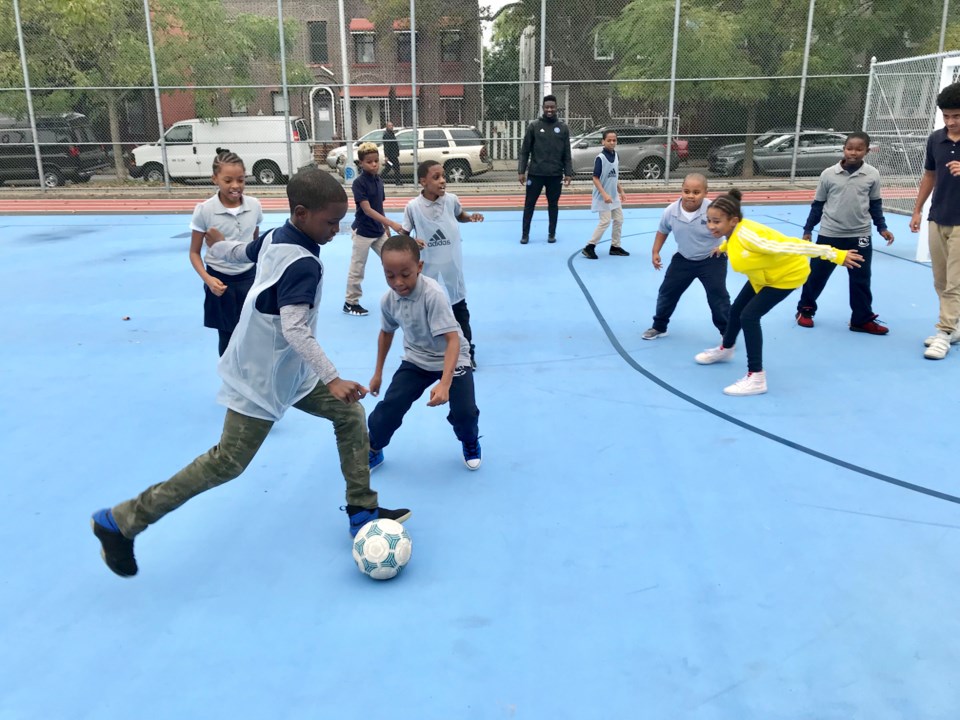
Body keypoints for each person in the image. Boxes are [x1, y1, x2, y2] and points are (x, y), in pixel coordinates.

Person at [90, 169, 410, 578]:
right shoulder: (304, 264)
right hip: (259, 376)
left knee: (348, 415)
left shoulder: (280, 234)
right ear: (301, 212)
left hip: (289, 372)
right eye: (331, 222)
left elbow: (243, 253)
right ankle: (120, 522)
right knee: (227, 463)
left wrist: (217, 251)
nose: (337, 229)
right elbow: (295, 329)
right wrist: (332, 377)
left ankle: (361, 511)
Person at [693, 189, 863, 396]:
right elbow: (734, 241)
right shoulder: (734, 233)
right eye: (709, 220)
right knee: (737, 309)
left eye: (716, 222)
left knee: (749, 316)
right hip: (764, 276)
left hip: (786, 276)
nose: (711, 226)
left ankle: (756, 377)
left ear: (733, 220)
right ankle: (726, 349)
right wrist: (723, 247)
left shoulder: (749, 237)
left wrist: (833, 253)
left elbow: (790, 245)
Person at [367, 234, 481, 472]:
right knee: (389, 408)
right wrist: (377, 373)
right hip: (417, 359)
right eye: (390, 275)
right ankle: (374, 448)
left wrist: (445, 384)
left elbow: (452, 341)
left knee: (465, 412)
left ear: (419, 267)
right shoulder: (388, 300)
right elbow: (386, 333)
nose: (398, 282)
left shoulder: (433, 294)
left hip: (453, 357)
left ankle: (469, 442)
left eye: (405, 274)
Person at [795, 131, 894, 334]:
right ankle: (805, 310)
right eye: (850, 148)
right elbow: (818, 205)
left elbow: (875, 204)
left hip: (860, 235)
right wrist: (808, 229)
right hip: (830, 234)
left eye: (859, 149)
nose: (853, 153)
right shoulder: (828, 174)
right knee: (816, 276)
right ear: (844, 149)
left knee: (861, 279)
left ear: (867, 150)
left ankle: (861, 319)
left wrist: (882, 227)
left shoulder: (872, 174)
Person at [402, 160, 483, 368]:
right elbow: (404, 235)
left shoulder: (451, 200)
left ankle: (467, 351)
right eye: (436, 177)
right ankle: (430, 350)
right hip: (428, 268)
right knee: (428, 308)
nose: (443, 181)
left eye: (444, 176)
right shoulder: (413, 207)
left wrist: (470, 217)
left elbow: (460, 216)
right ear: (423, 182)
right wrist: (412, 241)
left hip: (452, 265)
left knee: (459, 307)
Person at [189, 149, 263, 355]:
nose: (235, 186)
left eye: (240, 179)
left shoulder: (255, 206)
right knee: (227, 336)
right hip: (220, 283)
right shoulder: (204, 210)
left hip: (249, 279)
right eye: (228, 180)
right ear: (215, 179)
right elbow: (194, 253)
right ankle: (231, 382)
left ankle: (251, 379)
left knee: (252, 333)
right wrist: (208, 280)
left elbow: (254, 245)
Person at [642, 173, 730, 340]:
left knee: (717, 295)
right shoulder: (671, 211)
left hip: (711, 258)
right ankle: (659, 327)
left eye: (696, 192)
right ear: (681, 191)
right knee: (667, 292)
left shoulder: (714, 210)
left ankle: (727, 332)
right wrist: (655, 252)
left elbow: (731, 230)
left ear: (705, 193)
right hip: (684, 257)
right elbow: (663, 230)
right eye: (687, 191)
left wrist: (724, 246)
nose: (691, 196)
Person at [910, 82, 960, 360]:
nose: (951, 122)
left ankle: (943, 331)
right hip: (938, 217)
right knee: (940, 280)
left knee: (955, 281)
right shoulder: (935, 139)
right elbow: (930, 175)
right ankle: (953, 326)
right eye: (947, 116)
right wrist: (917, 210)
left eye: (957, 116)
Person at [343, 142, 403, 317]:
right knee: (357, 268)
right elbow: (368, 210)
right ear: (361, 163)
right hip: (362, 232)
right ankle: (350, 302)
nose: (374, 164)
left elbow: (379, 206)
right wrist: (392, 223)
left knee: (393, 262)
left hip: (378, 232)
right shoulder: (358, 184)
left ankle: (400, 294)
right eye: (369, 162)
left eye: (376, 161)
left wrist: (386, 228)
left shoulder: (379, 181)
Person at [517, 95, 572, 244]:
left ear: (556, 108)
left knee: (553, 205)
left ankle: (551, 233)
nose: (549, 109)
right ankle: (525, 234)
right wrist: (521, 171)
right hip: (536, 174)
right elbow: (524, 151)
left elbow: (567, 152)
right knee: (529, 204)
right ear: (542, 108)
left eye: (552, 107)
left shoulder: (563, 127)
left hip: (555, 175)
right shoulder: (534, 126)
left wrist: (568, 173)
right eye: (547, 107)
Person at [581, 130, 629, 259]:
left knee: (619, 220)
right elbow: (595, 178)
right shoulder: (600, 158)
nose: (612, 142)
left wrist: (621, 191)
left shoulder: (616, 156)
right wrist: (604, 194)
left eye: (614, 140)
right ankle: (589, 247)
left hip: (613, 196)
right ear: (603, 141)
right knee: (605, 222)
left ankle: (615, 246)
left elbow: (615, 176)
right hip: (603, 197)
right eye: (609, 140)